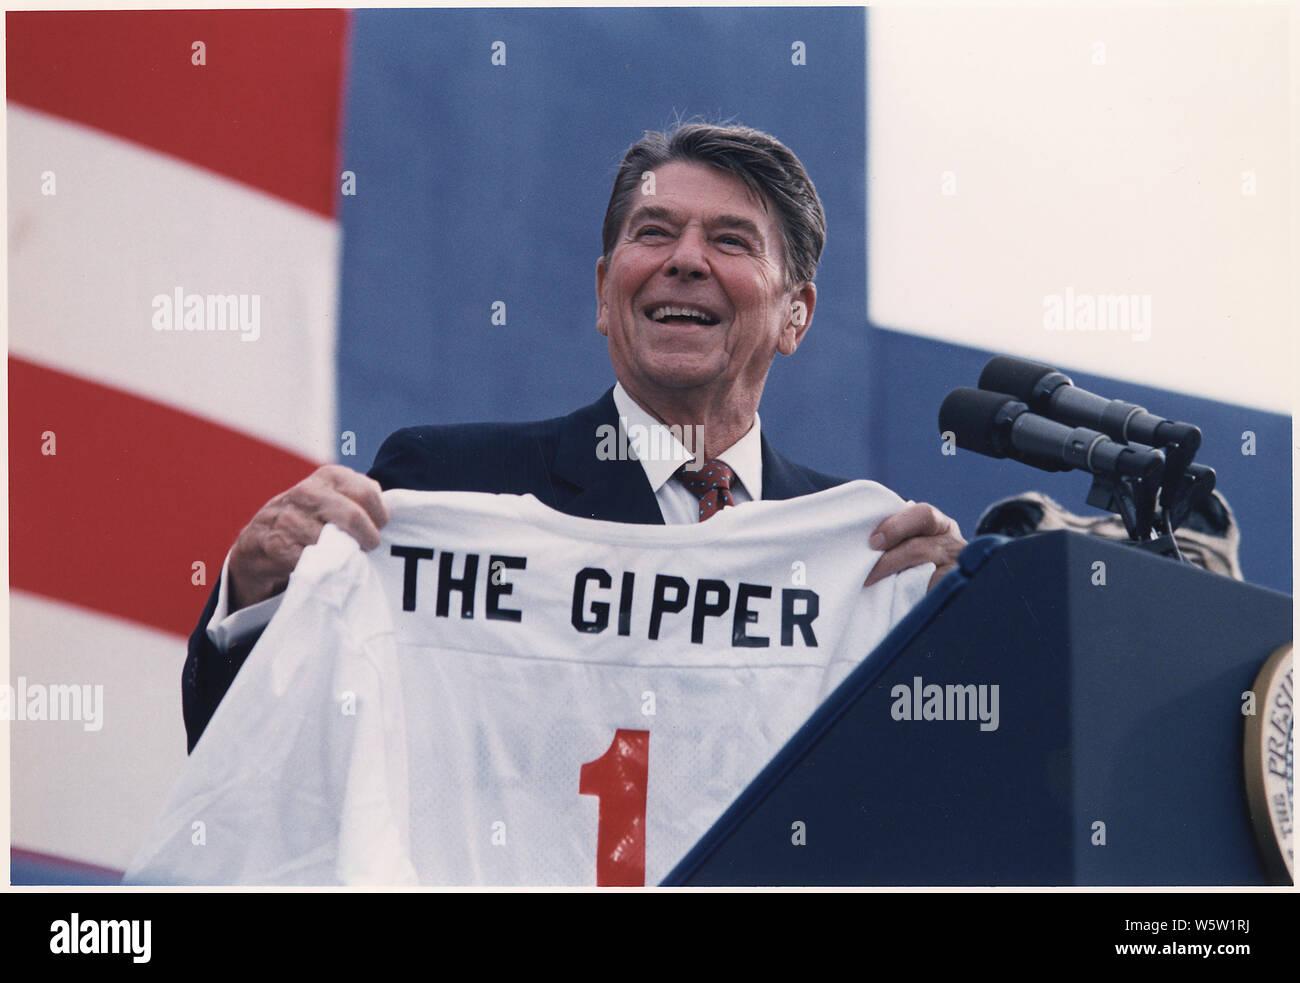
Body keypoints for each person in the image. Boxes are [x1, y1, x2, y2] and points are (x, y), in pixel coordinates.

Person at [182, 122, 966, 752]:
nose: (684, 260)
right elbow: (257, 754)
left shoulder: (866, 551)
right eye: (654, 232)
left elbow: (939, 802)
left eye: (730, 241)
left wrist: (965, 625)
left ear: (796, 313)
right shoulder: (448, 485)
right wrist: (254, 594)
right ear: (604, 291)